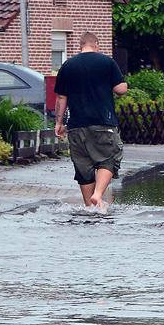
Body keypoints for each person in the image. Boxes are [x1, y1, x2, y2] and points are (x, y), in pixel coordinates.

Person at [53, 32, 128, 209]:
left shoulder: (67, 66)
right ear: (96, 45)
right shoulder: (107, 62)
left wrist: (59, 123)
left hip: (76, 125)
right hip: (103, 122)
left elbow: (61, 98)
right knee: (109, 158)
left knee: (83, 167)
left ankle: (90, 207)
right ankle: (98, 194)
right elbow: (121, 89)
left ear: (80, 45)